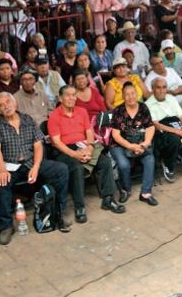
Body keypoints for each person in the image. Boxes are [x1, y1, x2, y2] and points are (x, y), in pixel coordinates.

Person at [0, 93, 70, 245]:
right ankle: (6, 226)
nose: (6, 106)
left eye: (8, 102)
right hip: (10, 165)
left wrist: (36, 166)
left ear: (15, 103)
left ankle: (59, 212)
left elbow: (38, 145)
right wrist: (2, 169)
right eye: (1, 105)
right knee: (2, 182)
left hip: (31, 161)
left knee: (61, 170)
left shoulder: (27, 119)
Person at [48, 85, 125, 221]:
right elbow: (57, 142)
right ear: (60, 98)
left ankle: (108, 199)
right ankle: (80, 207)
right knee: (76, 167)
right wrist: (75, 154)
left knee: (104, 162)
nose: (72, 98)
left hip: (83, 145)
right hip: (65, 149)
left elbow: (89, 131)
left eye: (74, 95)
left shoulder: (81, 111)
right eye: (68, 95)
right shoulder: (54, 116)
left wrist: (89, 147)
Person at [108, 84, 157, 206]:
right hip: (119, 144)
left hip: (140, 142)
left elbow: (150, 127)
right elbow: (116, 135)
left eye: (133, 93)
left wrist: (145, 143)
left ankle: (146, 193)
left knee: (150, 159)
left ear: (137, 94)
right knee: (124, 164)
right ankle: (126, 189)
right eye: (127, 94)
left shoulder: (143, 107)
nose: (131, 97)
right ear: (123, 96)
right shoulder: (118, 111)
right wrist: (131, 146)